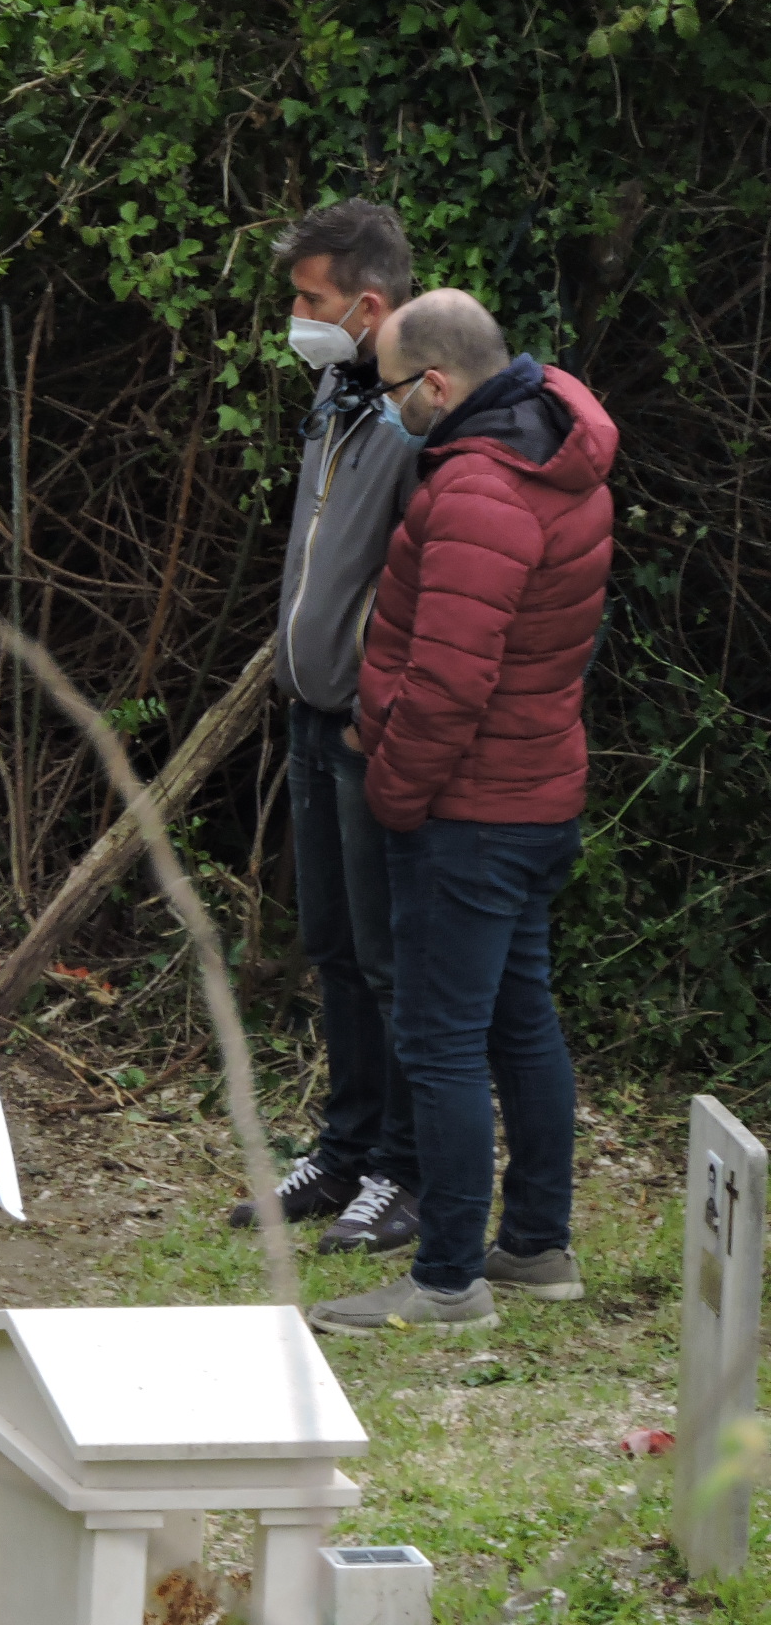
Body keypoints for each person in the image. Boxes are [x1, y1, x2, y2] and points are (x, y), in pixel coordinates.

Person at [307, 289, 616, 1336]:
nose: (386, 407)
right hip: (533, 796)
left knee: (440, 1042)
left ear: (435, 384)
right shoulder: (553, 454)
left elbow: (446, 684)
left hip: (468, 812)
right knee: (520, 1015)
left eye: (392, 389)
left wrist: (390, 790)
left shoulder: (481, 492)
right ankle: (535, 1242)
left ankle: (445, 1278)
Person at [233, 200, 422, 1252]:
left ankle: (401, 1169)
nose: (294, 319)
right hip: (309, 715)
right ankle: (344, 1148)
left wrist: (374, 704)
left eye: (308, 301)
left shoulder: (411, 415)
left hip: (364, 725)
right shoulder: (332, 396)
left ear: (366, 303)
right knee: (332, 948)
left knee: (389, 959)